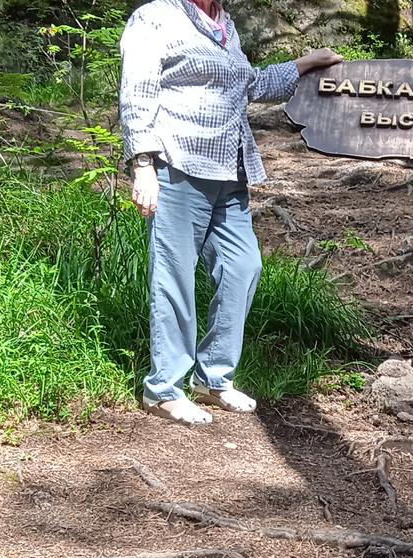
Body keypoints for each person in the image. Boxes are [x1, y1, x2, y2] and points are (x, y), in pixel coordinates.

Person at [120, 0, 342, 425]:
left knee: (244, 266)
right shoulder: (156, 16)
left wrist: (305, 63)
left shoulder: (225, 23)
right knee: (175, 277)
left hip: (230, 169)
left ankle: (213, 378)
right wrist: (143, 165)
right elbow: (138, 90)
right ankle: (164, 388)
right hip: (177, 164)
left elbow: (250, 84)